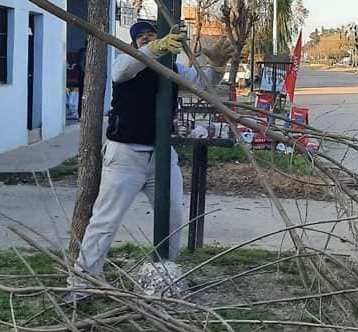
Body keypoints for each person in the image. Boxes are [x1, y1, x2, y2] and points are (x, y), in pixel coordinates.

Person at [64, 20, 235, 302]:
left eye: (152, 37)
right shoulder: (125, 62)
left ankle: (164, 276)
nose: (146, 41)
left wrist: (217, 67)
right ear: (133, 43)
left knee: (172, 218)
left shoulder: (171, 70)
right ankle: (82, 283)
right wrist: (154, 48)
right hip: (125, 156)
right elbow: (127, 68)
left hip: (162, 156)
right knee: (105, 221)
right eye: (141, 38)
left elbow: (201, 83)